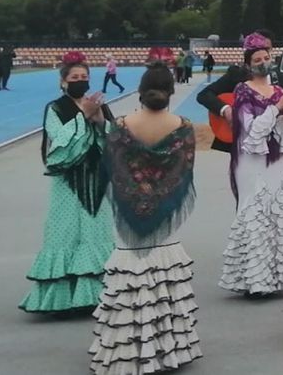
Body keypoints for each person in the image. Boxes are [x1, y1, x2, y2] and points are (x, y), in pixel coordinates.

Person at [90, 64, 202, 373]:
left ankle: (126, 349)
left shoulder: (123, 125)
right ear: (170, 91)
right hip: (164, 211)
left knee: (131, 273)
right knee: (164, 273)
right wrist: (159, 193)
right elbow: (184, 169)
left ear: (141, 91)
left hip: (129, 210)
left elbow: (113, 164)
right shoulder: (182, 125)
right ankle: (168, 348)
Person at [20, 52, 116, 316]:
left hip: (95, 179)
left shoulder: (98, 106)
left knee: (95, 232)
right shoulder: (55, 108)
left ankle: (97, 295)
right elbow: (59, 140)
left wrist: (100, 122)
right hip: (68, 181)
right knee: (64, 231)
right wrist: (81, 116)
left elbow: (116, 140)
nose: (81, 81)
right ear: (63, 82)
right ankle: (60, 298)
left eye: (85, 77)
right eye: (75, 77)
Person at [218, 32, 283, 296]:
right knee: (254, 214)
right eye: (257, 59)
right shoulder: (243, 91)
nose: (263, 62)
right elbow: (250, 129)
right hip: (251, 161)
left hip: (276, 159)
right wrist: (278, 107)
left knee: (275, 214)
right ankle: (252, 280)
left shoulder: (279, 90)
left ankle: (276, 277)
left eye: (267, 57)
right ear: (248, 64)